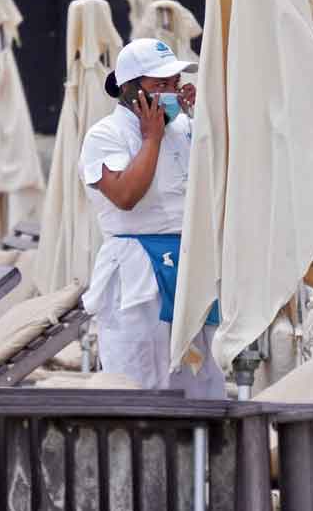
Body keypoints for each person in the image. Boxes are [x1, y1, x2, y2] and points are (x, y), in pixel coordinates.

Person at [78, 38, 226, 398]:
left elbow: (212, 184)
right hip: (136, 269)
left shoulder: (184, 128)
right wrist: (152, 139)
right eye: (160, 86)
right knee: (140, 375)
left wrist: (197, 121)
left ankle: (202, 452)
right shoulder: (105, 135)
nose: (170, 92)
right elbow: (126, 196)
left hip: (190, 265)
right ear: (130, 90)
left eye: (174, 84)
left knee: (199, 375)